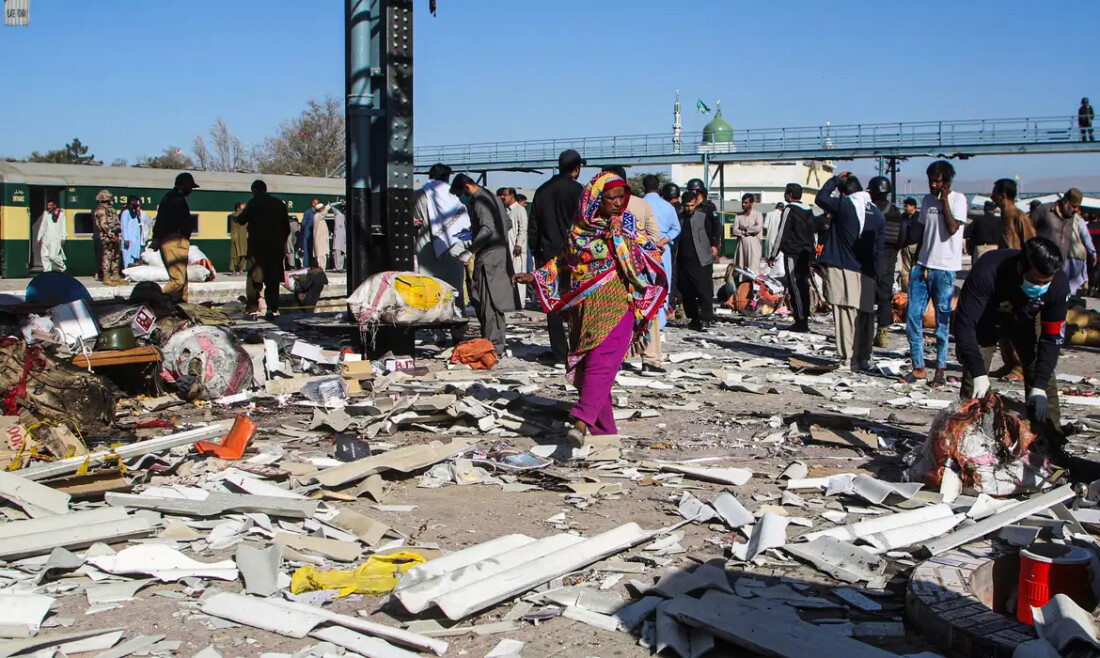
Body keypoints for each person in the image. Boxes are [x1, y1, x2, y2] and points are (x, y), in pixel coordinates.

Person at [514, 172, 667, 445]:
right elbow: (564, 262)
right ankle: (604, 431)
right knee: (590, 365)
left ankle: (582, 420)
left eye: (622, 197)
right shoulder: (579, 231)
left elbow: (648, 252)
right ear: (596, 200)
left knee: (601, 359)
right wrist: (537, 276)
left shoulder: (627, 225)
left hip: (619, 303)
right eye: (611, 198)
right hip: (587, 309)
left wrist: (645, 251)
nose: (618, 203)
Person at [956, 237, 1068, 453]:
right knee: (974, 384)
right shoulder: (988, 270)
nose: (1041, 286)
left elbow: (1051, 339)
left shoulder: (1058, 286)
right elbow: (965, 325)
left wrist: (1040, 385)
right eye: (1036, 281)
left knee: (1041, 374)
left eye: (1046, 282)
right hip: (986, 317)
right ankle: (967, 445)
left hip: (1027, 319)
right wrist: (979, 372)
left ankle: (1050, 445)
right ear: (1020, 267)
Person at [905, 161, 968, 387]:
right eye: (931, 180)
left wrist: (944, 203)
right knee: (913, 317)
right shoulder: (926, 201)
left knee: (942, 321)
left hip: (945, 270)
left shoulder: (958, 200)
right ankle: (918, 367)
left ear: (947, 181)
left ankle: (940, 369)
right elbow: (924, 231)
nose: (933, 184)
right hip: (922, 267)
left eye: (938, 180)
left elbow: (952, 229)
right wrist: (916, 261)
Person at [815, 172, 879, 370]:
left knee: (844, 312)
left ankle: (847, 358)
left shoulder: (845, 206)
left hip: (843, 265)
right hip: (868, 270)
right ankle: (863, 357)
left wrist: (834, 179)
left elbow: (821, 198)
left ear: (843, 193)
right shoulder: (876, 212)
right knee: (866, 315)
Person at [530, 149, 586, 364]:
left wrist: (537, 256)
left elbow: (533, 226)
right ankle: (578, 349)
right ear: (577, 168)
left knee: (552, 304)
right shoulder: (578, 191)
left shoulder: (542, 191)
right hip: (575, 257)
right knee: (577, 303)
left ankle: (559, 352)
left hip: (547, 255)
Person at [451, 173, 516, 354]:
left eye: (460, 195)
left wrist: (470, 249)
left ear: (466, 188)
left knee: (487, 302)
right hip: (499, 255)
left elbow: (487, 228)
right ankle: (495, 343)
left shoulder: (480, 202)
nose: (461, 200)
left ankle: (493, 345)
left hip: (488, 258)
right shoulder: (494, 199)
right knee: (493, 303)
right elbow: (507, 224)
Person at [990, 178, 1035, 381]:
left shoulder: (1019, 217)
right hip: (1004, 278)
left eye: (995, 193)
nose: (992, 197)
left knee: (1017, 324)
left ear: (1003, 195)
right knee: (1002, 323)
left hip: (1019, 279)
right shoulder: (1004, 217)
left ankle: (1019, 366)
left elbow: (1032, 245)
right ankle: (1009, 362)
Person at [414, 164, 471, 311]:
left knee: (428, 285)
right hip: (454, 246)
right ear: (448, 177)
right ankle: (456, 322)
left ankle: (431, 320)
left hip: (425, 246)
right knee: (454, 287)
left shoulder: (419, 194)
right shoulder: (456, 197)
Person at [237, 179, 291, 318]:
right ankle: (272, 309)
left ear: (254, 190)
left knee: (255, 279)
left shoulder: (253, 202)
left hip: (257, 248)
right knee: (272, 281)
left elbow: (241, 219)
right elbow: (286, 227)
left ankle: (252, 308)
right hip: (275, 248)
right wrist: (280, 242)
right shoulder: (279, 204)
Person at [767, 183, 816, 332]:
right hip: (806, 254)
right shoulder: (809, 210)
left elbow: (782, 233)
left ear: (789, 194)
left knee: (795, 287)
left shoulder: (789, 210)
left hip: (793, 253)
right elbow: (813, 234)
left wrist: (773, 254)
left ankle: (800, 321)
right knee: (804, 286)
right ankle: (803, 319)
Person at [868, 176, 906, 347]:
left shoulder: (869, 210)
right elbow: (903, 236)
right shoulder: (896, 212)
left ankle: (864, 331)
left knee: (866, 295)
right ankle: (882, 333)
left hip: (870, 255)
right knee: (885, 296)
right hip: (890, 255)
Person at [151, 172, 200, 302]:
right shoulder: (175, 199)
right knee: (178, 280)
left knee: (183, 281)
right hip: (174, 240)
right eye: (190, 187)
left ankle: (181, 307)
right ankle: (154, 302)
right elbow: (165, 221)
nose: (191, 190)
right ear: (184, 184)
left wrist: (156, 238)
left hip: (174, 239)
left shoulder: (170, 198)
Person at [643, 175, 680, 333]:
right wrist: (664, 240)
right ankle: (661, 321)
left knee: (645, 284)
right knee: (664, 283)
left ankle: (645, 319)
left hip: (643, 249)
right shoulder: (668, 207)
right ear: (659, 188)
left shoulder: (639, 205)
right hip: (663, 250)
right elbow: (676, 228)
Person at [677, 190, 716, 330]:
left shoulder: (703, 216)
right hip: (684, 261)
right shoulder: (679, 218)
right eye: (687, 206)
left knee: (703, 290)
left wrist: (714, 245)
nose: (689, 209)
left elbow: (713, 231)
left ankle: (706, 318)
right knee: (687, 292)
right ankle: (693, 318)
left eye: (692, 205)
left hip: (701, 259)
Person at [498, 187, 529, 307]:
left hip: (516, 249)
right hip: (507, 248)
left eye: (505, 195)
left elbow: (523, 229)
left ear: (512, 196)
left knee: (519, 276)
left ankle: (519, 303)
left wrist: (519, 244)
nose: (503, 197)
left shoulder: (520, 210)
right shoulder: (506, 211)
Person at [1033, 188, 1083, 260]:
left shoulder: (1071, 217)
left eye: (1078, 207)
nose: (1076, 210)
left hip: (1061, 264)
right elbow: (1028, 230)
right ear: (1065, 201)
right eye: (1074, 206)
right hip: (1041, 261)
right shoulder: (1043, 210)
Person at [731, 193, 764, 284]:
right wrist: (747, 231)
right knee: (740, 269)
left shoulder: (758, 214)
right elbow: (734, 230)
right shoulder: (739, 216)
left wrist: (744, 230)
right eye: (743, 202)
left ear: (751, 203)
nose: (743, 205)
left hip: (754, 247)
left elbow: (757, 228)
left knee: (753, 270)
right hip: (741, 247)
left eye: (746, 203)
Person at [93, 190, 123, 286]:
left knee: (115, 256)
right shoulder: (101, 210)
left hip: (115, 236)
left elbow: (116, 223)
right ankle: (106, 277)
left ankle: (115, 276)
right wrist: (111, 235)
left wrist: (117, 234)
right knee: (107, 256)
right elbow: (103, 225)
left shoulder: (111, 209)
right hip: (107, 237)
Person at [1065, 213, 1096, 295]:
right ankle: (1069, 296)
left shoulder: (1059, 217)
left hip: (1063, 253)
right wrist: (1093, 252)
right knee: (1074, 281)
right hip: (1077, 254)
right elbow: (1086, 238)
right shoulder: (1079, 220)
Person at [119, 196, 150, 269]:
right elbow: (124, 227)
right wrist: (126, 239)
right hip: (129, 240)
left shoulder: (135, 213)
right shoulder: (126, 212)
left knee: (135, 258)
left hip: (135, 240)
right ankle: (127, 273)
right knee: (128, 258)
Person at [899, 197, 922, 290]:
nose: (905, 207)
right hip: (905, 246)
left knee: (916, 270)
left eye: (907, 206)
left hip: (916, 245)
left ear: (913, 206)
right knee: (905, 271)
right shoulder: (903, 217)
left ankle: (916, 289)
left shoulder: (919, 217)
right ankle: (906, 291)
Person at [37, 200, 67, 272]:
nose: (48, 207)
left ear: (54, 206)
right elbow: (43, 226)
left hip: (55, 239)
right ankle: (47, 272)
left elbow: (63, 226)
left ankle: (62, 267)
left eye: (50, 205)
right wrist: (39, 238)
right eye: (47, 205)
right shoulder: (46, 214)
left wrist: (64, 237)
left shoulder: (60, 214)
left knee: (52, 256)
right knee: (44, 256)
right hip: (46, 238)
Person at [228, 202, 248, 274]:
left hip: (241, 237)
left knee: (242, 254)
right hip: (237, 237)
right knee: (235, 254)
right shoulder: (234, 216)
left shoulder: (243, 215)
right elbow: (238, 215)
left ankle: (241, 269)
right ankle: (234, 269)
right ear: (238, 208)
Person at [312, 201, 331, 271]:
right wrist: (328, 207)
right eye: (322, 208)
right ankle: (320, 270)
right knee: (320, 257)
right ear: (319, 209)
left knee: (323, 256)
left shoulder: (322, 219)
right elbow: (323, 213)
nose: (324, 209)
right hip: (319, 241)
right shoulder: (317, 216)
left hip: (323, 241)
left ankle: (323, 270)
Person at [299, 198, 317, 268]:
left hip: (315, 235)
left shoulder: (317, 213)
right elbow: (303, 224)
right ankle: (306, 266)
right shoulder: (308, 213)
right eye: (316, 203)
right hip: (308, 235)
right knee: (307, 251)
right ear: (313, 204)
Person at [331, 201, 347, 272]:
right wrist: (339, 202)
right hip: (337, 236)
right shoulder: (337, 213)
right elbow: (330, 205)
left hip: (343, 236)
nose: (343, 209)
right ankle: (338, 267)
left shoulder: (344, 216)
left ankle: (341, 267)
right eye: (342, 207)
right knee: (337, 252)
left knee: (342, 252)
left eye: (344, 208)